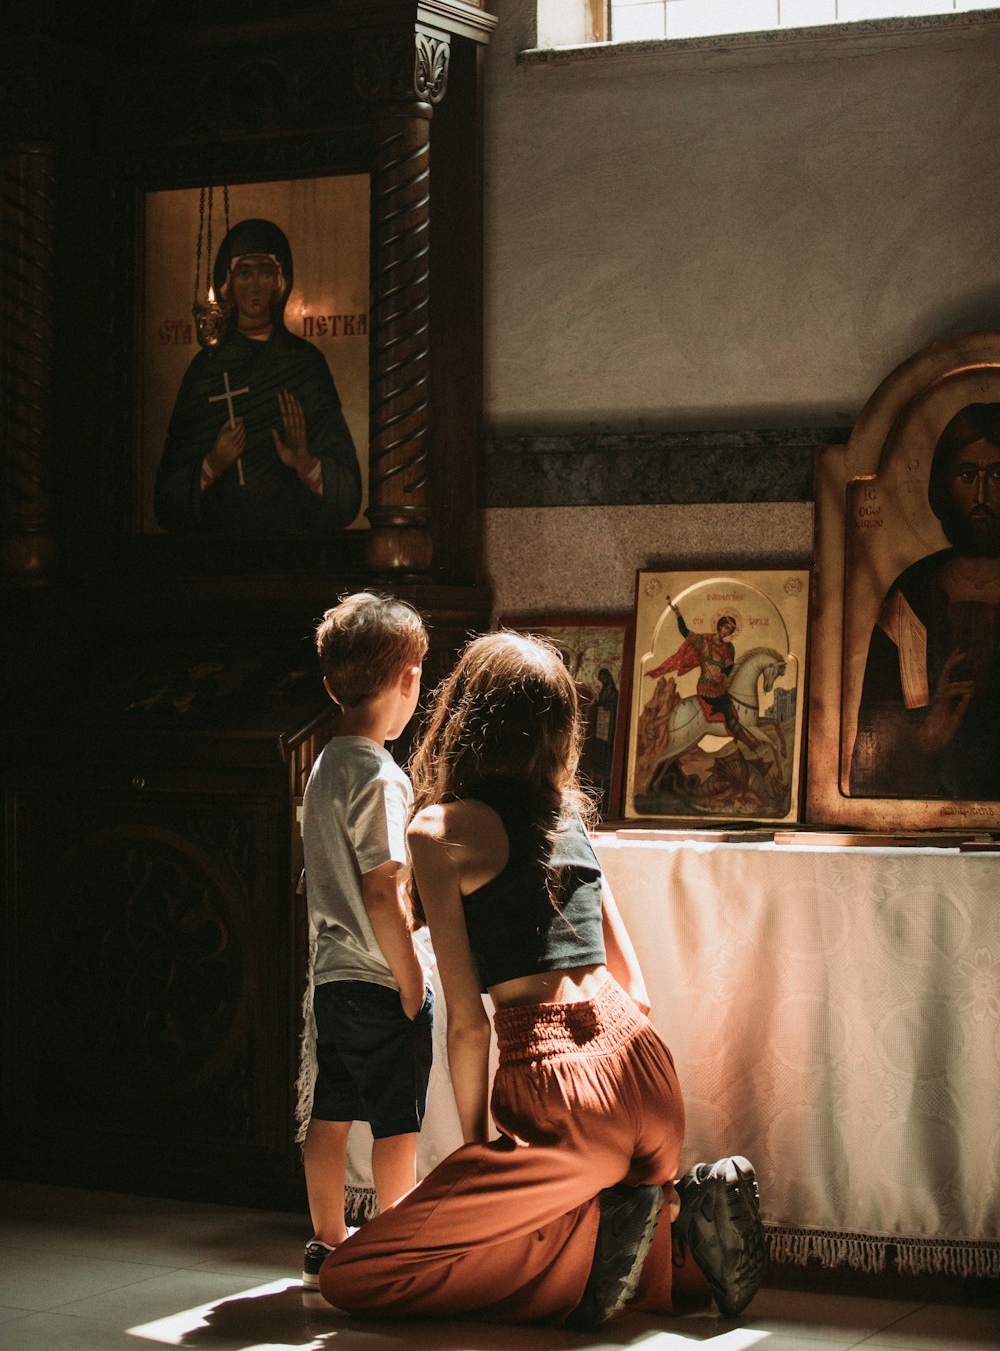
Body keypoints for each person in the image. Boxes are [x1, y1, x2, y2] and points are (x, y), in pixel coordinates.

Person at [317, 631, 765, 1328]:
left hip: (565, 1098)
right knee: (648, 1277)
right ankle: (672, 1209)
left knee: (357, 1276)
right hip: (648, 1074)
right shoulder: (568, 817)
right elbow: (636, 988)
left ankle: (601, 1240)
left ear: (461, 716)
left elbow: (467, 1022)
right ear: (560, 731)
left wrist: (474, 1151)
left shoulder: (437, 831)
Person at [298, 592, 433, 1289]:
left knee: (330, 1112)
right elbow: (386, 889)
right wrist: (413, 980)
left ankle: (327, 1239)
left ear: (333, 683)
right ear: (410, 678)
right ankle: (393, 1240)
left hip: (331, 979)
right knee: (394, 1123)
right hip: (382, 981)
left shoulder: (324, 765)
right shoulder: (382, 776)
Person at [154, 217, 362, 533]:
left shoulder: (304, 364)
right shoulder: (205, 369)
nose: (254, 285)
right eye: (244, 273)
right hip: (214, 554)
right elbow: (166, 502)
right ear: (228, 284)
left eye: (265, 272)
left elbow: (347, 496)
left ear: (279, 283)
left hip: (295, 551)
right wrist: (214, 463)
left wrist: (304, 462)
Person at [850, 401, 1000, 800]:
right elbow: (871, 754)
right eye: (968, 475)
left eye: (997, 474)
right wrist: (926, 738)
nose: (981, 493)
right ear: (943, 484)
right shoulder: (911, 597)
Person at [646, 600, 759, 749]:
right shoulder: (703, 643)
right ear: (719, 626)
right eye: (726, 628)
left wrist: (724, 676)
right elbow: (685, 632)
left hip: (720, 687)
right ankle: (750, 743)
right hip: (706, 688)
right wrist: (678, 614)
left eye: (730, 631)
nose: (727, 632)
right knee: (729, 713)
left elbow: (729, 666)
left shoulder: (728, 648)